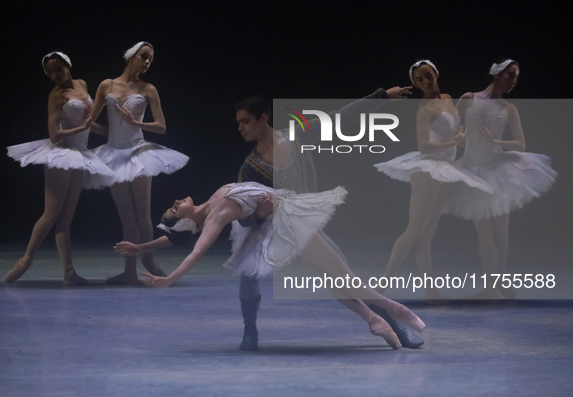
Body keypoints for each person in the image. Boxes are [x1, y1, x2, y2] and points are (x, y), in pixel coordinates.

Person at [115, 182, 427, 350]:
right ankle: (392, 308)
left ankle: (376, 319)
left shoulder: (209, 206)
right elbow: (196, 249)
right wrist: (170, 279)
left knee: (335, 277)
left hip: (279, 222)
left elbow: (176, 238)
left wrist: (141, 247)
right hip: (286, 223)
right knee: (341, 275)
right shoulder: (216, 214)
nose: (177, 200)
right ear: (185, 218)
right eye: (175, 207)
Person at [234, 92, 425, 350]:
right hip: (270, 230)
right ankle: (250, 332)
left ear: (263, 118)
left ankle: (393, 325)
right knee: (247, 272)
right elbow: (243, 217)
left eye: (245, 121)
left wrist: (383, 96)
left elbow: (341, 117)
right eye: (239, 123)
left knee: (342, 275)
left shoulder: (297, 135)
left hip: (303, 226)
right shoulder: (249, 168)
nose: (240, 128)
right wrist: (258, 214)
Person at [373, 60, 494, 303]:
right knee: (414, 230)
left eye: (427, 75)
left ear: (436, 73)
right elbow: (424, 146)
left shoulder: (448, 98)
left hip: (444, 170)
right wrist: (453, 142)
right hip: (428, 171)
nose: (425, 82)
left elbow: (456, 138)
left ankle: (431, 292)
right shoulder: (425, 108)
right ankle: (383, 282)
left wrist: (476, 141)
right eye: (419, 80)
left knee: (426, 237)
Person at [444, 59, 557, 300]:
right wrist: (458, 142)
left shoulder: (508, 108)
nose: (514, 80)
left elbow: (520, 144)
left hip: (498, 170)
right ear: (497, 73)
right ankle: (490, 288)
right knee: (484, 233)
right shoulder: (468, 99)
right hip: (473, 169)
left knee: (500, 233)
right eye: (511, 74)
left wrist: (494, 142)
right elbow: (453, 132)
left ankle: (500, 279)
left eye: (516, 76)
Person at [4, 52, 115, 285]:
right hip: (61, 153)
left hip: (79, 155)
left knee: (65, 218)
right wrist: (83, 126)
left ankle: (69, 272)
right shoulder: (56, 95)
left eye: (58, 69)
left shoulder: (82, 84)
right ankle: (25, 260)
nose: (55, 75)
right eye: (50, 72)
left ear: (68, 65)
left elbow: (88, 123)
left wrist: (110, 131)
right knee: (52, 213)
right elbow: (54, 134)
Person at [91, 42, 189, 284]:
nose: (147, 62)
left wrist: (134, 124)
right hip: (114, 154)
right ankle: (129, 271)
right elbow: (90, 121)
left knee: (143, 215)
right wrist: (112, 132)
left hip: (139, 153)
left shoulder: (148, 88)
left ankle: (148, 259)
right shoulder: (107, 85)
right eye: (144, 56)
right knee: (126, 217)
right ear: (131, 56)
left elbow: (161, 127)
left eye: (151, 59)